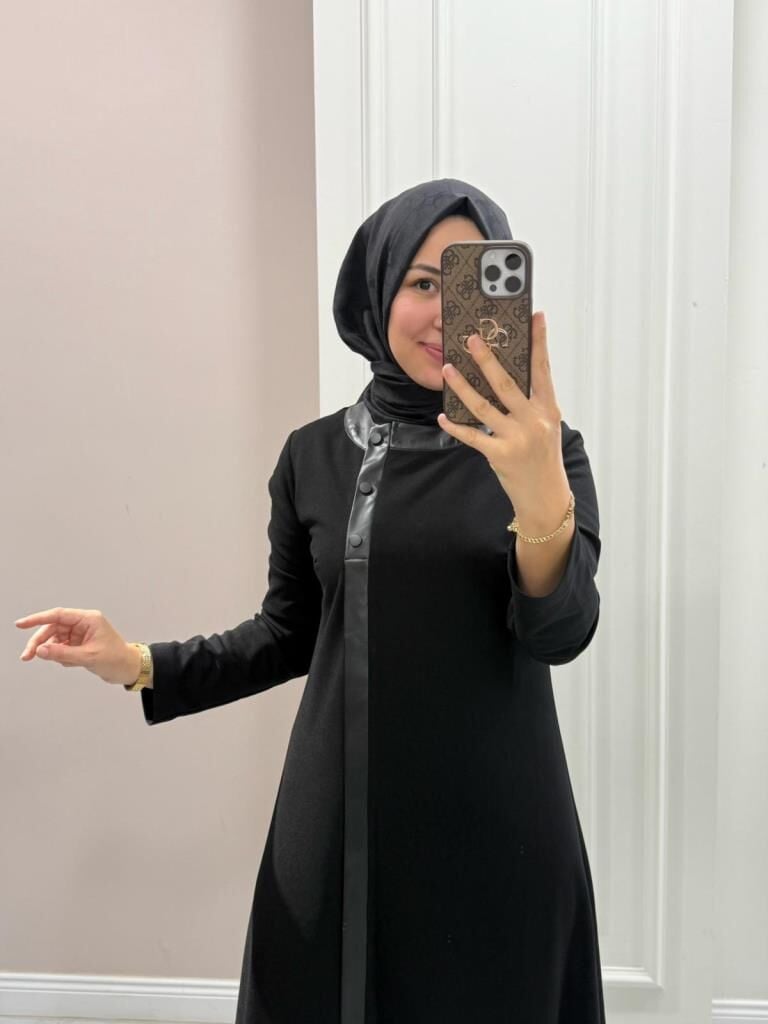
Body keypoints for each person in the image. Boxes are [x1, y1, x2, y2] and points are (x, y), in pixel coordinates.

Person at [15, 178, 605, 1023]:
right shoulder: (316, 456)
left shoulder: (550, 450)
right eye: (423, 282)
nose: (446, 313)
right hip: (339, 821)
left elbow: (562, 632)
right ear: (377, 287)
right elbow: (287, 634)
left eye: (469, 282)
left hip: (499, 821)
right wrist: (137, 661)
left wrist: (539, 489)